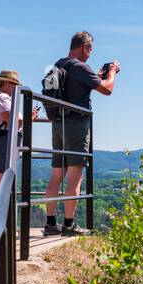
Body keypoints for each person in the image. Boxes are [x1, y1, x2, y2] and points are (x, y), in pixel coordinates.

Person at [45, 31, 118, 236]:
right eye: (90, 49)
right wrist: (112, 72)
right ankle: (69, 225)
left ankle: (50, 224)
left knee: (56, 175)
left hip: (58, 124)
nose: (90, 54)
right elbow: (107, 89)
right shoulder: (80, 67)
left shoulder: (59, 64)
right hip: (76, 125)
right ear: (84, 47)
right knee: (75, 178)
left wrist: (96, 76)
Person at [0, 69, 35, 203]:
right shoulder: (2, 98)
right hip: (3, 146)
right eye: (14, 85)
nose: (15, 89)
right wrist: (29, 118)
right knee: (0, 186)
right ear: (5, 83)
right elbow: (12, 120)